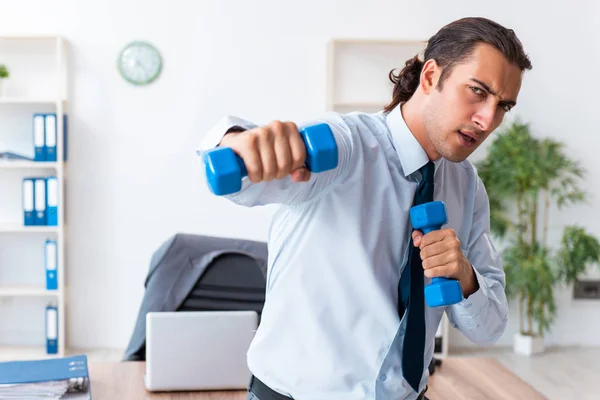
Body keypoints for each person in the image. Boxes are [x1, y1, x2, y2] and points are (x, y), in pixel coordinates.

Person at [197, 16, 532, 400]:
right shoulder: (347, 147)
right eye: (477, 91)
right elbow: (250, 175)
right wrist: (238, 144)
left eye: (502, 105)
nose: (487, 119)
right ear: (430, 77)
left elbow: (488, 328)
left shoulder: (467, 186)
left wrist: (464, 275)